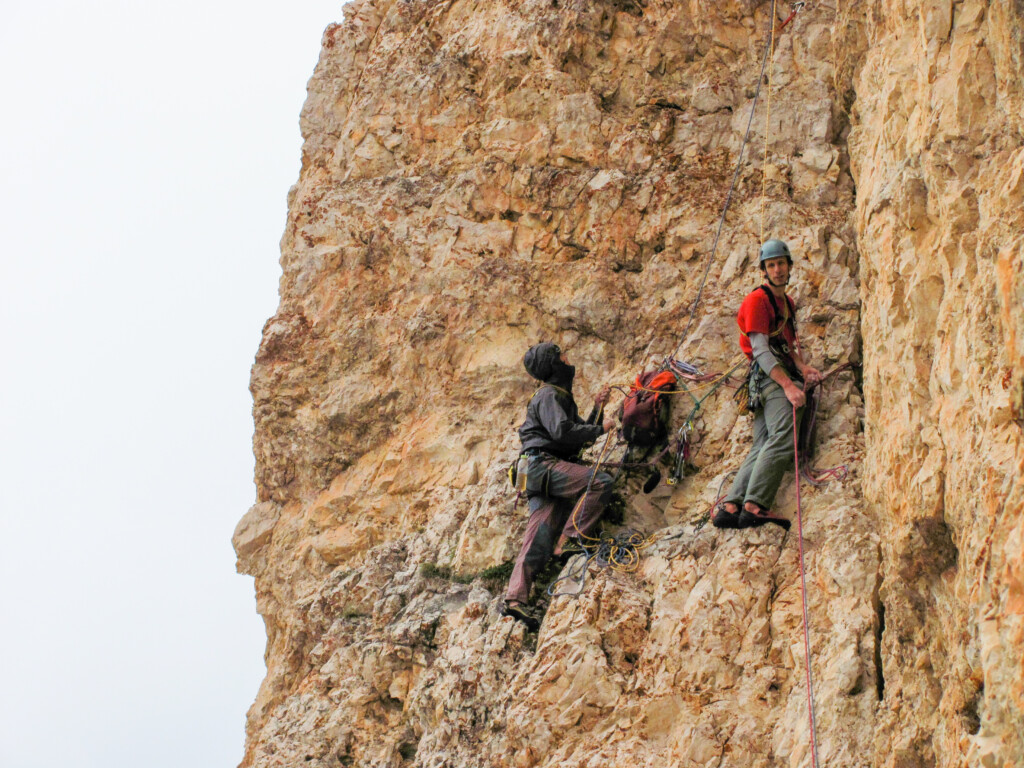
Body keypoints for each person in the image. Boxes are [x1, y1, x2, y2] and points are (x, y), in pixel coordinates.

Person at [502, 342, 617, 629]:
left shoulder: (554, 396)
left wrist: (597, 410)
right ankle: (571, 540)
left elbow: (576, 433)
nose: (567, 358)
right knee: (600, 481)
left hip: (534, 472)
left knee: (538, 534)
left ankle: (515, 599)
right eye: (561, 356)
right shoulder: (550, 395)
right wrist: (601, 428)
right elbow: (563, 432)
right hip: (544, 465)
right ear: (554, 364)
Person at [713, 239, 823, 530]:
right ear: (764, 270)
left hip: (769, 378)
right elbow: (761, 349)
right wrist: (789, 385)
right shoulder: (757, 301)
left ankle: (732, 504)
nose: (777, 269)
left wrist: (803, 367)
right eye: (771, 265)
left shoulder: (785, 303)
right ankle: (755, 505)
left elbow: (786, 344)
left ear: (789, 266)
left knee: (762, 442)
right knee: (783, 437)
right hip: (771, 379)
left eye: (781, 263)